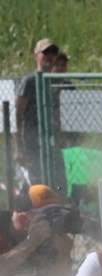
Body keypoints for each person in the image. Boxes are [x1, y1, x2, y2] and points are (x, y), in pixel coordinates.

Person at [14, 39, 60, 175]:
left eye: (53, 52)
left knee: (54, 178)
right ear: (36, 56)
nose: (50, 56)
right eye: (45, 52)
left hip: (52, 140)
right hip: (31, 141)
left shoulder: (56, 80)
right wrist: (19, 147)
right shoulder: (29, 81)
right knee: (36, 180)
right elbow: (17, 114)